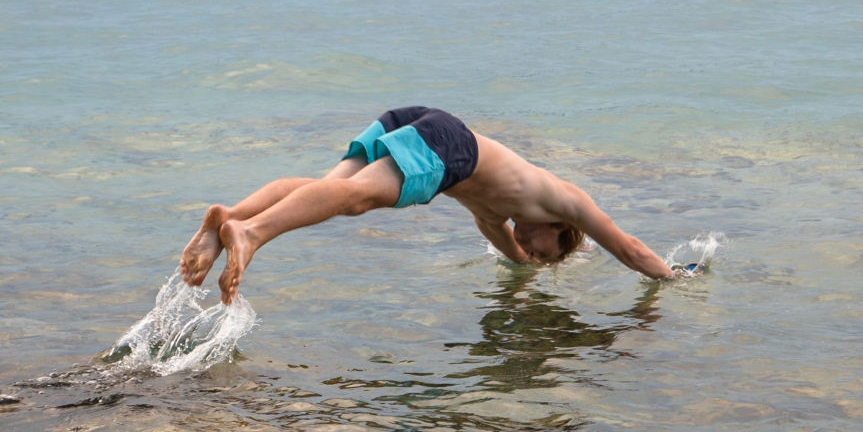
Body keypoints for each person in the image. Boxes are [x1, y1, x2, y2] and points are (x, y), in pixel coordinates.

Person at [180, 106, 679, 305]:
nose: (536, 252)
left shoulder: (493, 215)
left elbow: (512, 251)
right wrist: (673, 280)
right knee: (353, 201)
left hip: (417, 120)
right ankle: (252, 234)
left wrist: (524, 267)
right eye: (549, 252)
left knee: (323, 190)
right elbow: (629, 248)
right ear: (562, 228)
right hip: (450, 143)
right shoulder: (566, 200)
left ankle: (231, 219)